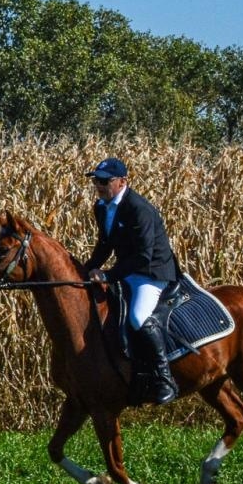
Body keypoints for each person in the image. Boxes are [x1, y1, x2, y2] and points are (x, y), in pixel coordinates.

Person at [77, 157, 181, 405]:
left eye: (104, 181)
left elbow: (143, 255)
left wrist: (108, 275)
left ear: (122, 181)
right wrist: (86, 269)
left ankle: (165, 379)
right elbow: (105, 245)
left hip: (151, 272)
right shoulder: (101, 207)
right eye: (96, 181)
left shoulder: (138, 208)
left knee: (137, 317)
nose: (99, 186)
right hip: (127, 270)